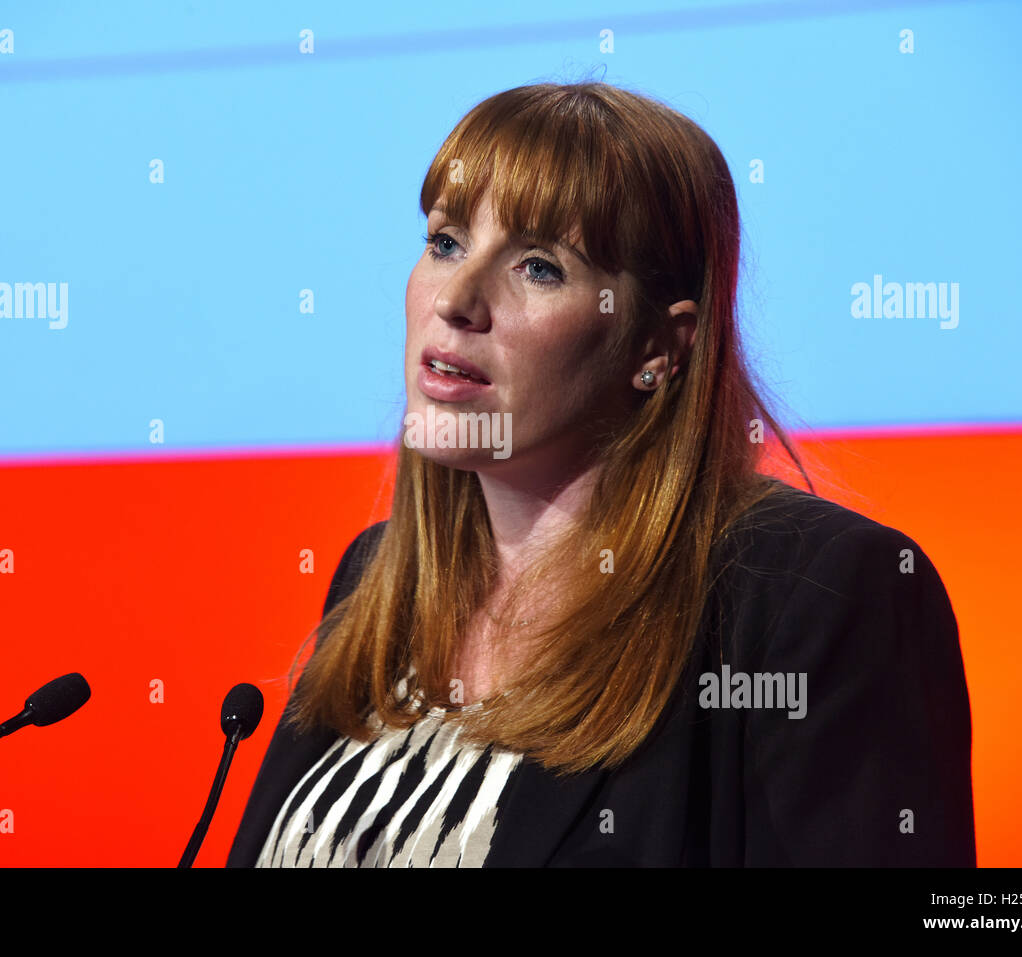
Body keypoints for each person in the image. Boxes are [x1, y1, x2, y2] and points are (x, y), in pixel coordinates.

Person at [227, 81, 975, 867]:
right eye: (446, 241)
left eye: (539, 267)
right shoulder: (374, 581)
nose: (455, 298)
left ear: (659, 346)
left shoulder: (814, 599)